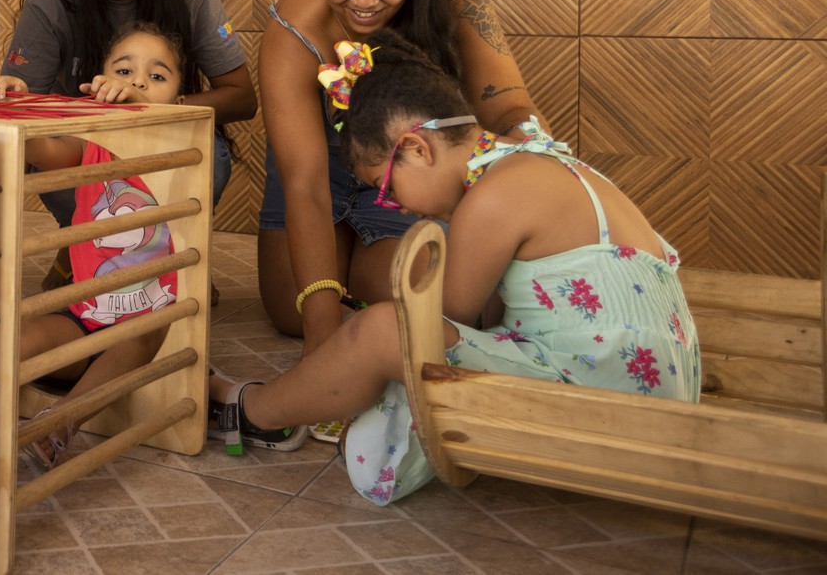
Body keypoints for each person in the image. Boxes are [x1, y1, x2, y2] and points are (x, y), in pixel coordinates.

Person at [211, 35, 700, 505]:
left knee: (382, 329)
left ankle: (251, 409)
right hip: (652, 387)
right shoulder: (533, 158)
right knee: (390, 333)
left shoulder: (492, 198)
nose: (397, 208)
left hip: (608, 398)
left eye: (386, 189)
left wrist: (358, 341)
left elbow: (440, 325)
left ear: (418, 148)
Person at [0, 23, 285, 468]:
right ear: (99, 82)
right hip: (87, 316)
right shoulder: (90, 147)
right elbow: (42, 149)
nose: (138, 82)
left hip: (152, 324)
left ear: (182, 97)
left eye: (157, 77)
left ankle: (60, 422)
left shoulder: (186, 152)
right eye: (123, 71)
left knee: (142, 333)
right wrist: (17, 101)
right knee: (12, 336)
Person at [259, 0, 544, 351]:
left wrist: (531, 166)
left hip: (408, 166)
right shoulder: (295, 27)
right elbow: (305, 183)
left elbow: (510, 107)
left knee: (423, 300)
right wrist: (323, 347)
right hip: (322, 164)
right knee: (297, 310)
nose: (364, 1)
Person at [1, 0, 255, 290]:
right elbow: (26, 120)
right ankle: (87, 248)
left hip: (165, 142)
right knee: (52, 161)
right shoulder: (52, 3)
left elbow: (243, 97)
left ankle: (167, 252)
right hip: (82, 149)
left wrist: (156, 108)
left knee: (213, 154)